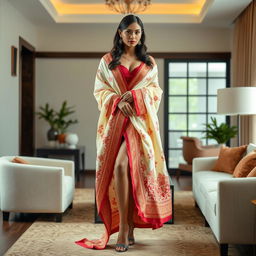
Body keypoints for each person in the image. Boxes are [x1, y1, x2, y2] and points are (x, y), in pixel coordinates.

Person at [75, 14, 172, 253]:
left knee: (125, 168)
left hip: (139, 123)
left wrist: (137, 96)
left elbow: (155, 92)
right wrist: (117, 101)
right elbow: (99, 91)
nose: (133, 36)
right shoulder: (108, 60)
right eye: (128, 31)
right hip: (115, 123)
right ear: (120, 33)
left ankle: (128, 228)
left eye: (137, 32)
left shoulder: (148, 62)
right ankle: (124, 227)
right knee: (120, 169)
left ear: (141, 34)